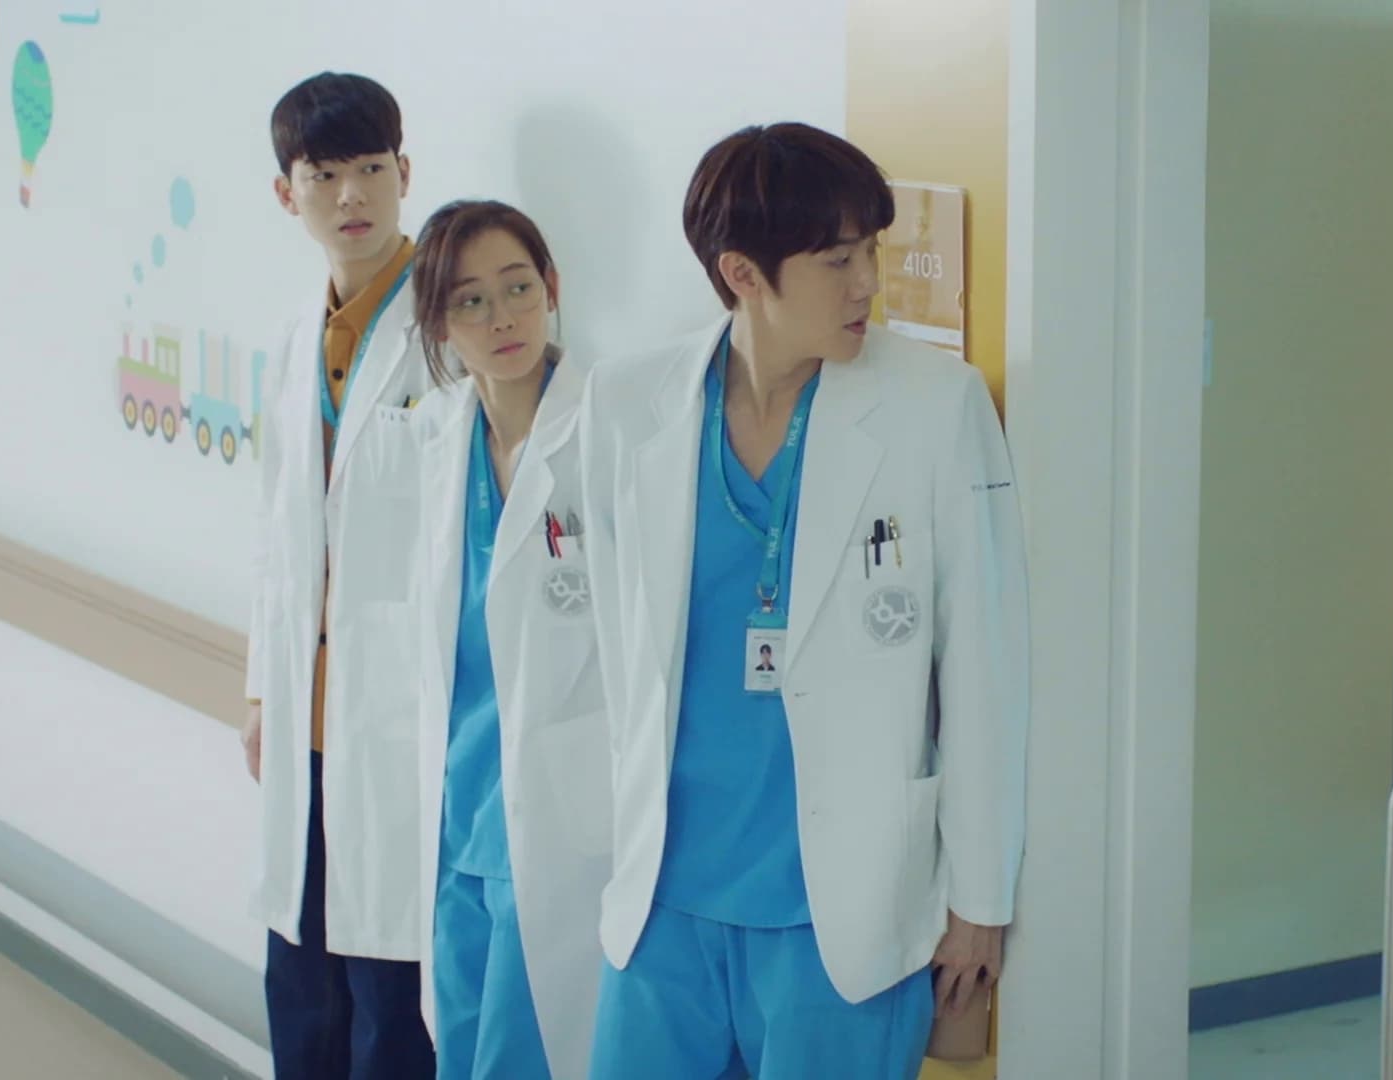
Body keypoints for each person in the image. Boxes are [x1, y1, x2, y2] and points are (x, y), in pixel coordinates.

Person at [578, 122, 1031, 1080]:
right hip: (663, 900)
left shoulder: (935, 405)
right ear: (743, 274)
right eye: (838, 261)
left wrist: (980, 899)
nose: (870, 283)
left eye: (872, 250)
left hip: (842, 916)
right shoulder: (626, 403)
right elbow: (617, 650)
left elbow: (985, 664)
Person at [242, 71, 435, 1079]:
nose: (352, 195)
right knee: (303, 983)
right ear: (289, 194)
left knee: (389, 1003)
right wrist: (262, 692)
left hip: (403, 719)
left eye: (371, 168)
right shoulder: (292, 340)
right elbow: (277, 536)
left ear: (405, 172)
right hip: (307, 719)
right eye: (324, 174)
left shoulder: (448, 331)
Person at [405, 200, 612, 1079]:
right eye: (471, 301)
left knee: (521, 1057)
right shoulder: (434, 433)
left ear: (552, 287)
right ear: (438, 323)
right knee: (459, 1049)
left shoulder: (610, 429)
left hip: (562, 816)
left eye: (519, 288)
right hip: (459, 806)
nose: (503, 319)